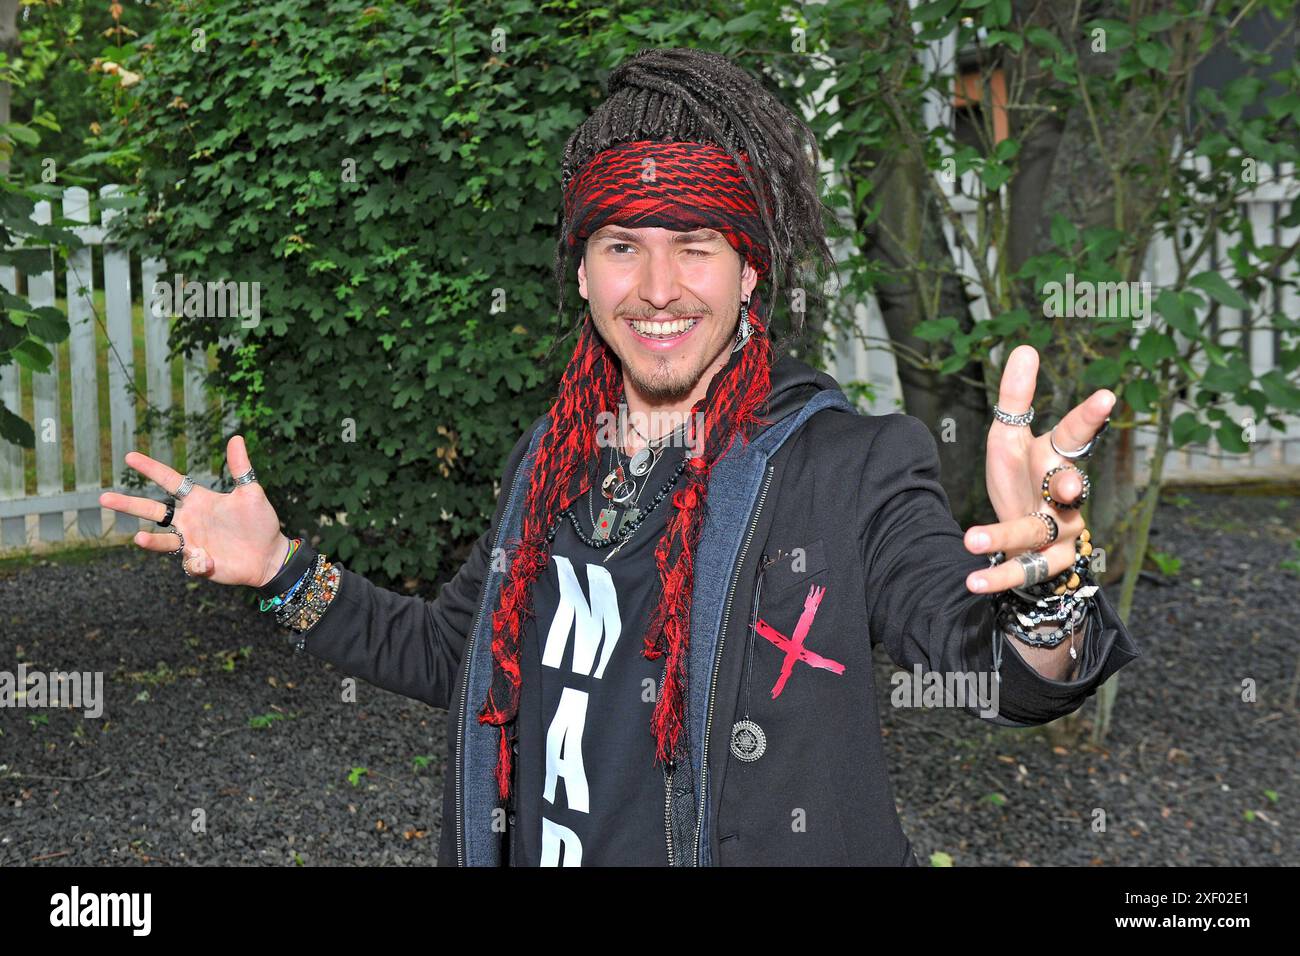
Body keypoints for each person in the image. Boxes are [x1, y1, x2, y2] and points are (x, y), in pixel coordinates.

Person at [100, 47, 1140, 867]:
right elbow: (454, 653)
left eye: (694, 242)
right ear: (584, 273)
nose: (656, 287)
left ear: (748, 269)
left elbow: (1000, 674)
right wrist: (283, 571)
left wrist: (1044, 584)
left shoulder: (847, 466)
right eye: (620, 245)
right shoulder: (551, 463)